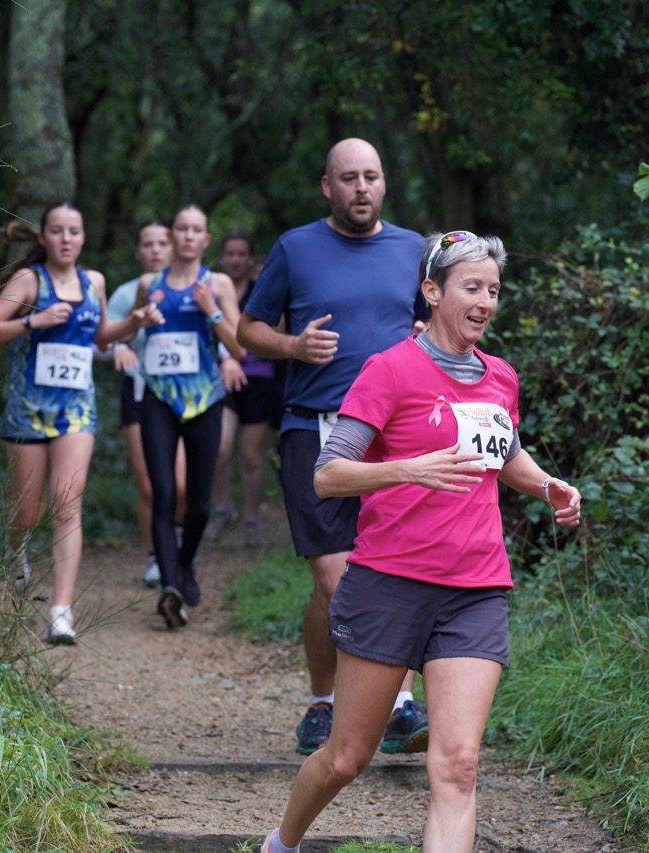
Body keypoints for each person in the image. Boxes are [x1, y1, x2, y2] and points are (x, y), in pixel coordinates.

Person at [258, 230, 582, 853]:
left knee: (458, 766)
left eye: (493, 290)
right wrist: (408, 469)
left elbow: (505, 454)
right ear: (432, 292)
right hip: (391, 584)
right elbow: (327, 475)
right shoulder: (390, 369)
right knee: (347, 757)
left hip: (475, 588)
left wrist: (547, 486)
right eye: (471, 287)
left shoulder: (500, 377)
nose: (485, 301)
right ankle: (283, 843)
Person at [239, 138, 431, 755]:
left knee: (399, 571)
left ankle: (398, 707)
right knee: (334, 578)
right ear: (328, 186)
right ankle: (324, 701)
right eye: (348, 178)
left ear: (384, 182)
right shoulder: (296, 247)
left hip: (395, 432)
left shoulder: (413, 249)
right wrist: (292, 347)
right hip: (315, 428)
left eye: (371, 176)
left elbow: (435, 323)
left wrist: (427, 336)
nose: (361, 187)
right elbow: (247, 328)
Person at [0, 202, 163, 644]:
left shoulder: (93, 281)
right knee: (27, 510)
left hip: (76, 410)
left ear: (82, 237)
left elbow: (102, 337)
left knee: (66, 503)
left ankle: (61, 611)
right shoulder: (29, 281)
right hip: (28, 408)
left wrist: (133, 322)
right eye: (57, 231)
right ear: (44, 237)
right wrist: (33, 320)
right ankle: (16, 546)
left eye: (73, 231)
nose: (66, 239)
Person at [130, 204, 245, 628]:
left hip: (204, 401)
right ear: (172, 234)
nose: (188, 236)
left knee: (198, 504)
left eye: (197, 230)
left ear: (206, 239)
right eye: (182, 228)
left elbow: (240, 348)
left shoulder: (218, 283)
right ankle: (170, 587)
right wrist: (135, 323)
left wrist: (211, 310)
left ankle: (186, 563)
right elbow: (128, 329)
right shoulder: (150, 283)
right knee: (163, 492)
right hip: (158, 399)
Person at [105, 220, 187, 587]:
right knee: (150, 485)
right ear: (138, 251)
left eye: (161, 243)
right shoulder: (125, 294)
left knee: (181, 486)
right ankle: (155, 555)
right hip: (139, 393)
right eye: (148, 244)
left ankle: (176, 540)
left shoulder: (190, 287)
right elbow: (103, 338)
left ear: (172, 247)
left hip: (184, 395)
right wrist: (118, 348)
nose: (155, 250)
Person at [206, 230, 279, 548]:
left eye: (241, 254)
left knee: (251, 456)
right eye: (230, 253)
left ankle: (251, 517)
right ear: (222, 257)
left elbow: (277, 329)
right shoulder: (208, 290)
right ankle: (223, 507)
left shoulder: (261, 290)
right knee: (219, 449)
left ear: (250, 258)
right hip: (218, 378)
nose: (235, 260)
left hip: (258, 378)